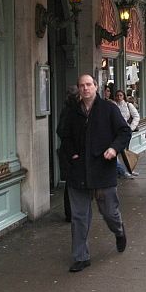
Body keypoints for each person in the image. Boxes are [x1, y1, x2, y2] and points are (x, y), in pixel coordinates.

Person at [58, 74, 131, 273]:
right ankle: (80, 257)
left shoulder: (109, 109)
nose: (85, 88)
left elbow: (124, 132)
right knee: (79, 217)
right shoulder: (72, 111)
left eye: (89, 84)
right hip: (78, 171)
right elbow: (63, 135)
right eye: (82, 85)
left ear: (96, 87)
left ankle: (119, 230)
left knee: (109, 213)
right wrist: (72, 154)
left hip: (102, 169)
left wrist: (114, 149)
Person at [56, 85, 79, 222]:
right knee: (72, 183)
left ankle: (72, 212)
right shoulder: (70, 110)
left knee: (72, 183)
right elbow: (61, 130)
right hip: (70, 153)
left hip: (70, 152)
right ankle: (71, 213)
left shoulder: (70, 109)